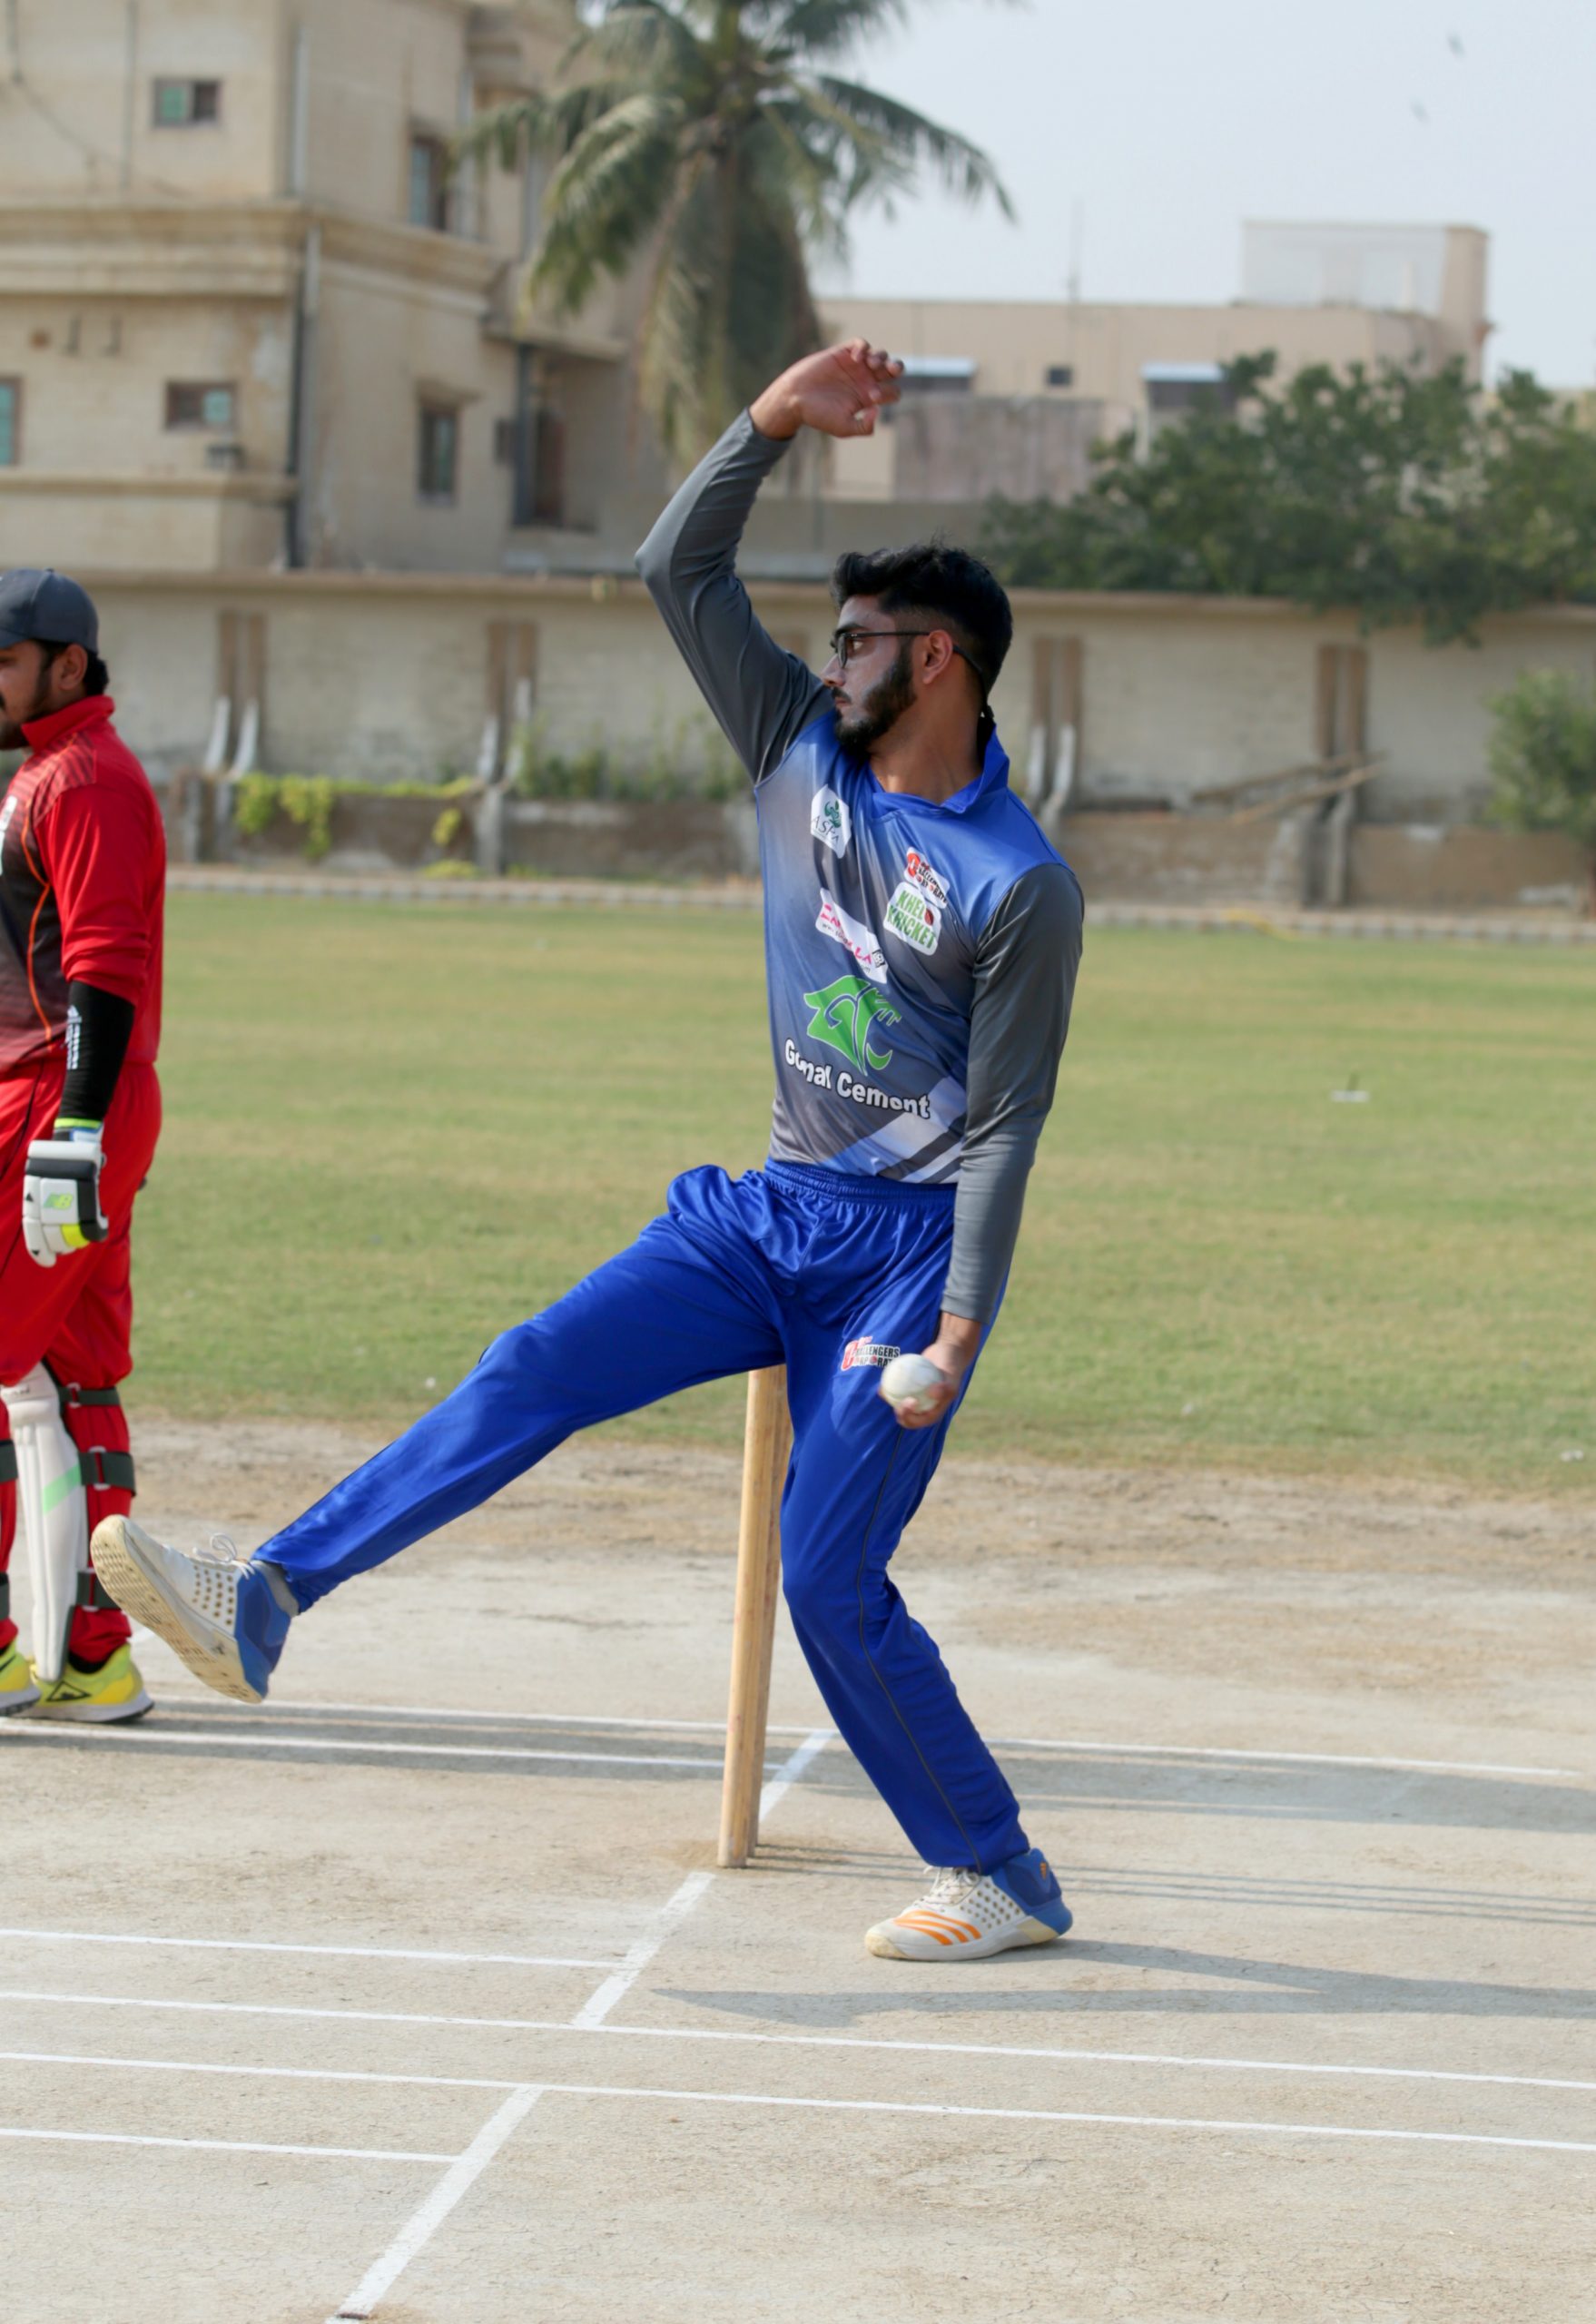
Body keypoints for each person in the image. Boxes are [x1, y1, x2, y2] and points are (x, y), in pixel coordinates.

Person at [95, 340, 1086, 1959]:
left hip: (906, 1262)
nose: (828, 658)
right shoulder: (792, 746)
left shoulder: (1016, 882)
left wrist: (959, 1325)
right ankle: (265, 1596)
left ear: (940, 661)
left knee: (828, 1575)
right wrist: (771, 419)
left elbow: (1005, 1122)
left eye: (859, 640)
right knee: (534, 1363)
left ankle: (1000, 1873)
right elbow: (672, 566)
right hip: (766, 1211)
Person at [0, 568, 165, 1721]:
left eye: (6, 663)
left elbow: (105, 963)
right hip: (64, 1096)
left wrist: (76, 1127)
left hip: (59, 1098)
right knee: (73, 1370)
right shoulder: (45, 771)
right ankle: (92, 1654)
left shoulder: (83, 779)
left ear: (69, 663)